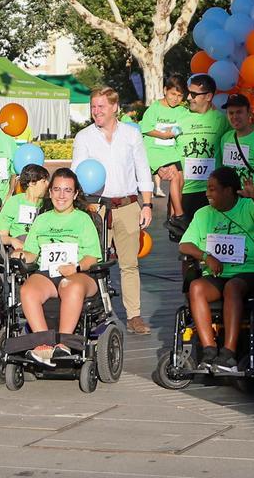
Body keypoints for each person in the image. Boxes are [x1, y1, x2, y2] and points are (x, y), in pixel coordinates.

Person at [72, 86, 154, 335]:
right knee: (94, 262)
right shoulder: (84, 137)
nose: (96, 111)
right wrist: (87, 203)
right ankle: (95, 311)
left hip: (128, 204)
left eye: (101, 106)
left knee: (129, 265)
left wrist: (147, 204)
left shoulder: (131, 134)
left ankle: (134, 316)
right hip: (97, 207)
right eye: (93, 107)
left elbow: (143, 168)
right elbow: (78, 172)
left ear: (115, 107)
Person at [178, 166, 254, 372]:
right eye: (207, 188)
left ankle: (228, 353)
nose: (207, 193)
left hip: (250, 271)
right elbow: (184, 245)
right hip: (218, 273)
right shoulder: (203, 214)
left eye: (213, 189)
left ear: (229, 191)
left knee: (232, 287)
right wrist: (206, 256)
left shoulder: (248, 206)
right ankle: (209, 350)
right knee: (196, 287)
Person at [20, 168, 105, 365]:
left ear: (75, 194)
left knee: (70, 285)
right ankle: (43, 344)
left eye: (67, 190)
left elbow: (93, 257)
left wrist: (75, 267)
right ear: (50, 192)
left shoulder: (84, 219)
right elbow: (32, 252)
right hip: (48, 272)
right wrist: (22, 255)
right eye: (57, 189)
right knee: (27, 290)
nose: (61, 195)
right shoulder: (41, 220)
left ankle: (64, 343)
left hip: (80, 273)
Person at [172, 74, 231, 241]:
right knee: (186, 247)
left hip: (213, 192)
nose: (189, 97)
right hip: (186, 191)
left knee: (212, 242)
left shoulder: (221, 120)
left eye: (194, 94)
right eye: (188, 93)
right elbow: (163, 147)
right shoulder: (179, 118)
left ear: (208, 96)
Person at [141, 74, 188, 224]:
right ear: (165, 90)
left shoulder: (182, 111)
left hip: (172, 152)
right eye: (173, 94)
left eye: (180, 96)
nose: (175, 98)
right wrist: (163, 135)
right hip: (156, 151)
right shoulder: (154, 108)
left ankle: (173, 217)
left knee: (181, 179)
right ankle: (179, 215)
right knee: (174, 176)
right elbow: (145, 128)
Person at [0, 164, 50, 250]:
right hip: (20, 244)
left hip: (43, 243)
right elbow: (2, 236)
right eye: (44, 181)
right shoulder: (14, 202)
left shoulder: (48, 204)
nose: (48, 184)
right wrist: (13, 241)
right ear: (31, 183)